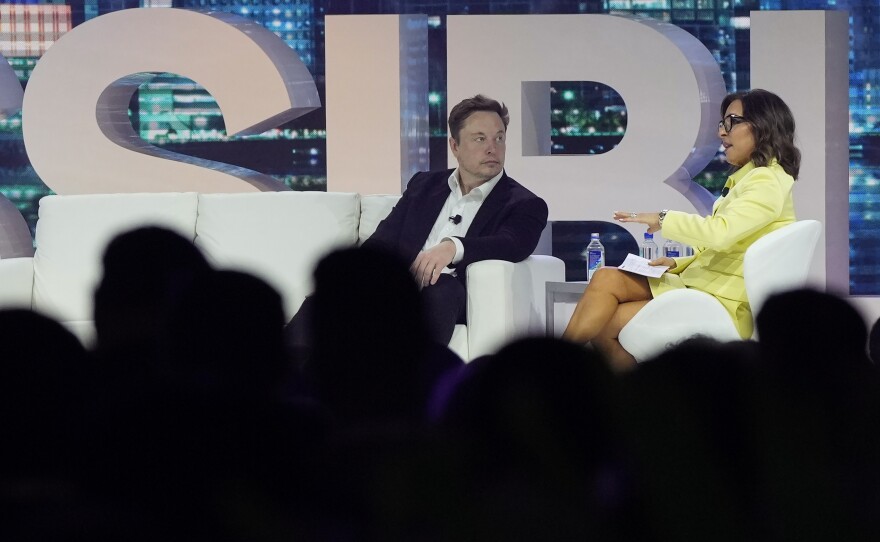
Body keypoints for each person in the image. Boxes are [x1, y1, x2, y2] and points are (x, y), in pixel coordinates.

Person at [563, 89, 800, 371]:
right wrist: (678, 262)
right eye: (722, 124)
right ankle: (559, 368)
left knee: (603, 324)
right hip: (702, 286)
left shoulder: (767, 180)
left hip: (719, 301)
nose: (722, 134)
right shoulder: (753, 178)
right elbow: (727, 246)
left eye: (731, 122)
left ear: (763, 125)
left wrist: (664, 219)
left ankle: (553, 369)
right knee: (605, 280)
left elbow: (720, 233)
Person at [350, 94, 548, 346]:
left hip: (451, 294)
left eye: (499, 138)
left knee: (441, 288)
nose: (492, 148)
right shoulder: (424, 185)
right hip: (397, 290)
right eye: (480, 139)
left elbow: (513, 243)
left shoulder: (524, 203)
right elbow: (383, 241)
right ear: (455, 146)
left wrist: (454, 246)